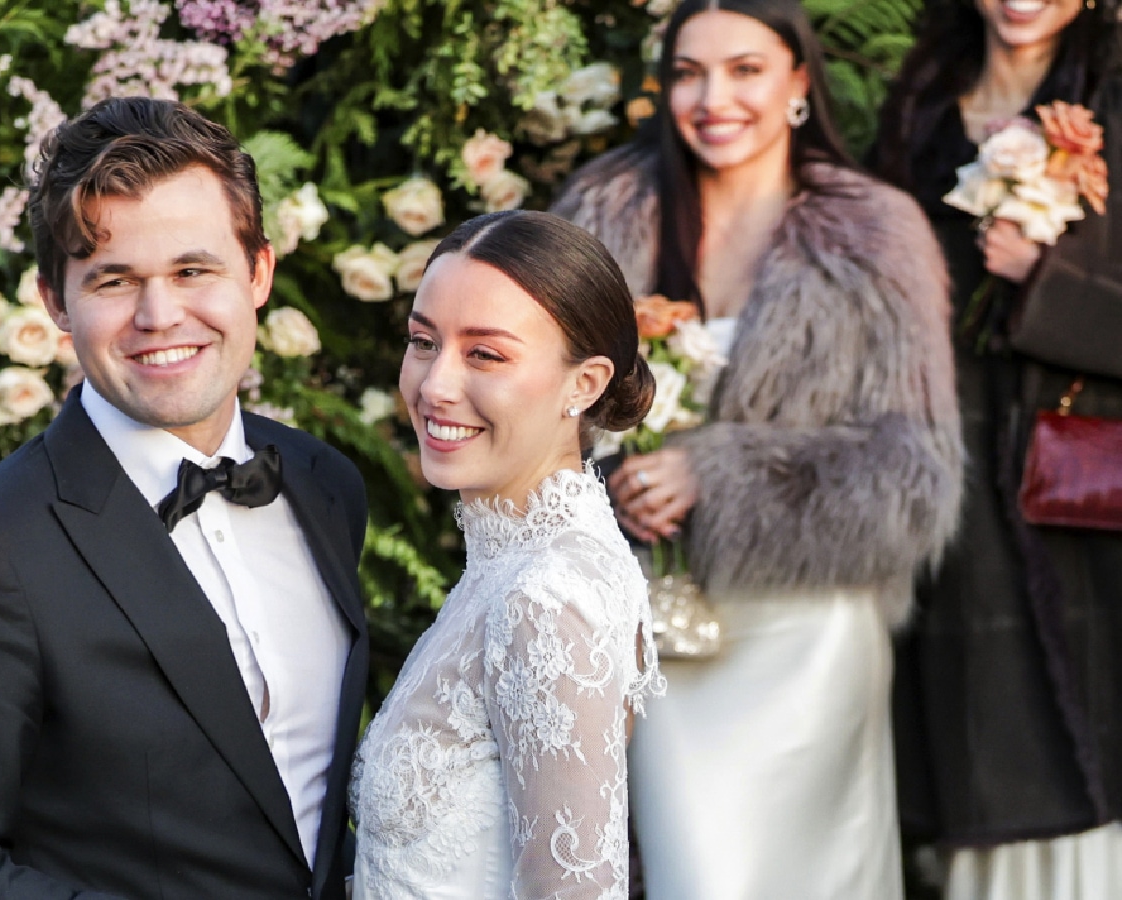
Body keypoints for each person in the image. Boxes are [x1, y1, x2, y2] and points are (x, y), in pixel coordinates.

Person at [0, 97, 370, 899]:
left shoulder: (324, 485)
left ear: (259, 272)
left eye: (194, 270)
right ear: (56, 301)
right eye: (116, 280)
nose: (160, 317)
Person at [548, 0, 965, 896]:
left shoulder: (875, 234)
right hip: (650, 628)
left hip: (809, 631)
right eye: (690, 72)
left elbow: (913, 470)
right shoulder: (603, 214)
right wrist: (617, 479)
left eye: (745, 69)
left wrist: (718, 471)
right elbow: (540, 406)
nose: (714, 97)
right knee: (696, 871)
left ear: (799, 84)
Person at [875, 0, 1122, 895]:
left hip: (1082, 478)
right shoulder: (926, 101)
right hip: (955, 475)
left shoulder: (1114, 93)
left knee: (1091, 743)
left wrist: (1045, 283)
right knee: (982, 746)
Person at [349, 209, 665, 898]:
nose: (435, 386)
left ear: (584, 384)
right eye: (423, 342)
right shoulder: (511, 565)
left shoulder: (549, 595)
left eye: (485, 354)